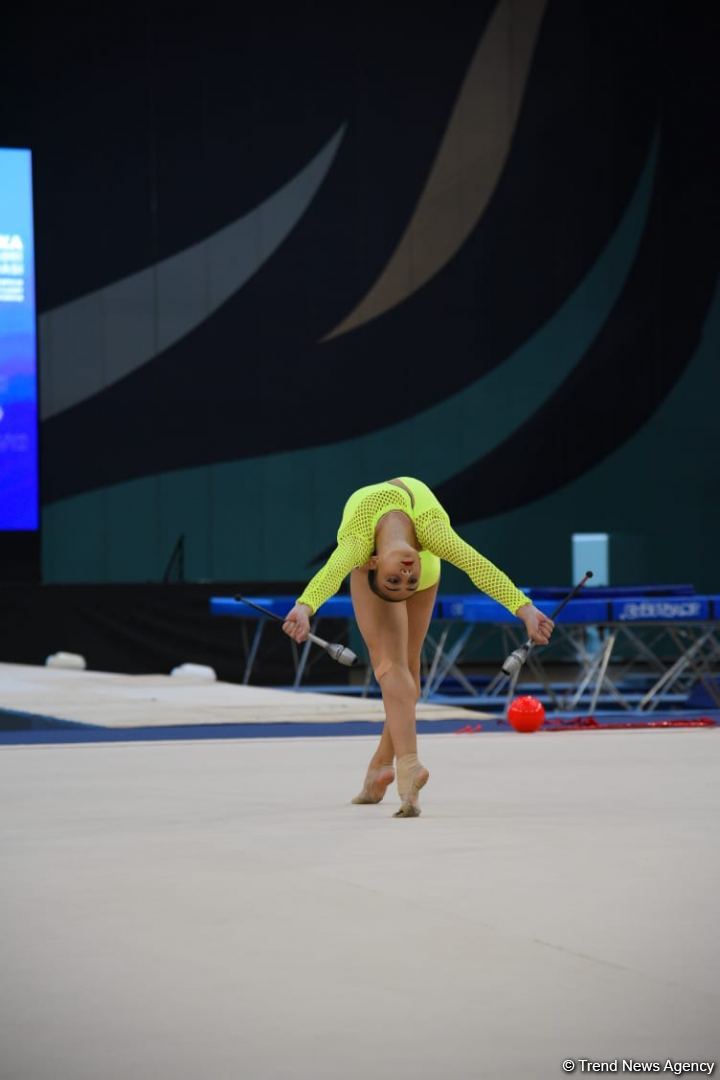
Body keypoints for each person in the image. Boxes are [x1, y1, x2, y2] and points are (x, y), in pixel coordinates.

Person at [282, 477, 553, 817]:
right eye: (399, 582)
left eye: (403, 581)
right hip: (420, 560)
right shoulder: (363, 548)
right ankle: (391, 766)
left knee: (396, 669)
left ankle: (393, 765)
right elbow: (332, 573)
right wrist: (305, 607)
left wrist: (525, 609)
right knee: (398, 669)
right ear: (372, 563)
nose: (407, 575)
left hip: (428, 565)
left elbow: (476, 565)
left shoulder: (382, 539)